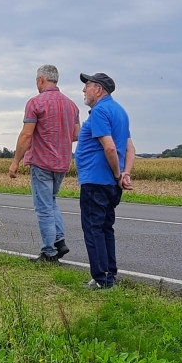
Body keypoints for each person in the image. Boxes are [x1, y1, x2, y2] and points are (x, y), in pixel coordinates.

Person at [8, 65, 81, 262]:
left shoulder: (35, 103)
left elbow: (26, 135)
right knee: (52, 201)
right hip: (62, 162)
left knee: (43, 207)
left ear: (41, 80)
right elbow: (76, 135)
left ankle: (49, 251)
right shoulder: (72, 105)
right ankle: (59, 240)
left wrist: (15, 162)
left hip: (41, 161)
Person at [74, 72, 135, 289]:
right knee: (106, 228)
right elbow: (129, 148)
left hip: (97, 180)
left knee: (94, 228)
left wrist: (119, 174)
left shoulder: (100, 111)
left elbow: (109, 147)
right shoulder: (120, 111)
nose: (84, 90)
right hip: (110, 183)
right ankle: (110, 274)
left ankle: (101, 280)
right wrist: (124, 174)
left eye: (87, 85)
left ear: (98, 89)